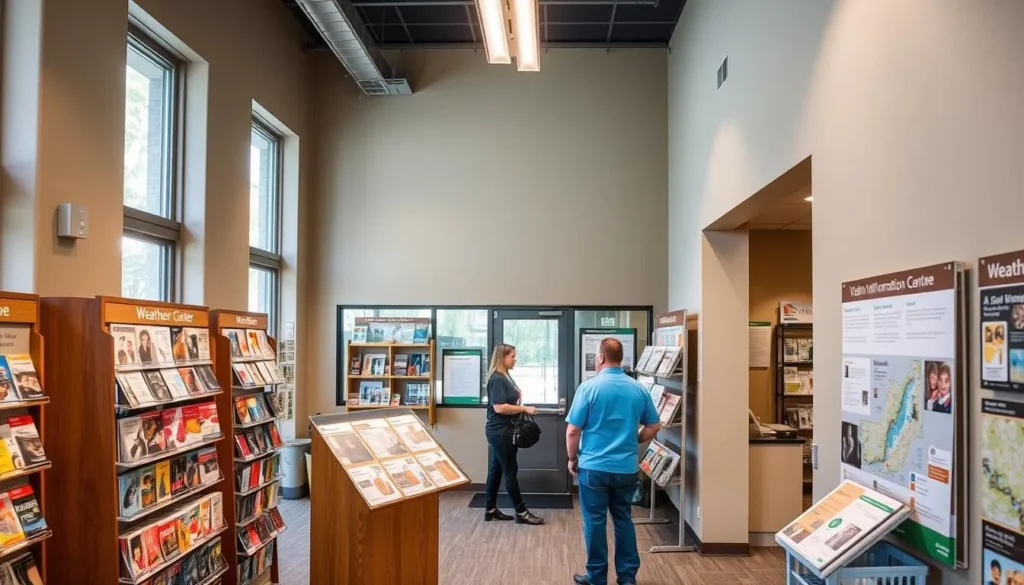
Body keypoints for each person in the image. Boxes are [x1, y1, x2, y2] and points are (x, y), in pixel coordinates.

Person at [566, 338, 661, 585]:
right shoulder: (638, 389)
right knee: (623, 519)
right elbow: (653, 426)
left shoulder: (588, 388)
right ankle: (627, 578)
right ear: (620, 359)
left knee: (594, 523)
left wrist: (571, 458)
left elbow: (573, 431)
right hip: (626, 468)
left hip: (593, 468)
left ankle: (597, 578)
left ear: (600, 358)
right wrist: (634, 440)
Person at [482, 343, 543, 525]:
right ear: (502, 358)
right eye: (512, 356)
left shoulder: (504, 377)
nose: (515, 359)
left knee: (496, 469)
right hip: (501, 432)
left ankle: (490, 509)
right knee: (510, 471)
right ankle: (521, 512)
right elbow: (499, 407)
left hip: (501, 430)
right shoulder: (498, 379)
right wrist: (524, 408)